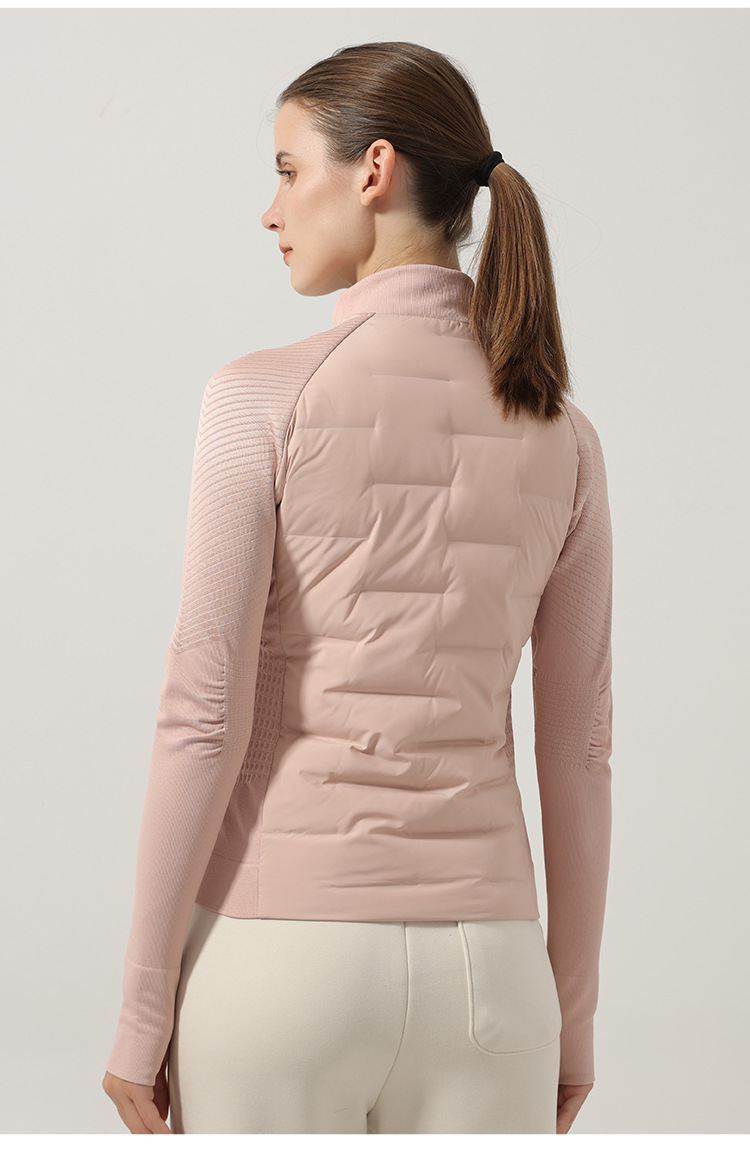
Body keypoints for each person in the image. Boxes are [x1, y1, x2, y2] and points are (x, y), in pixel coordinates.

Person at [102, 40, 613, 1135]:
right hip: (493, 980)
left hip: (279, 965)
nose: (271, 211)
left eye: (289, 170)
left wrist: (142, 1010)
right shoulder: (565, 436)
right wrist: (569, 1021)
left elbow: (202, 716)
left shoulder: (261, 398)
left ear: (374, 169)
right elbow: (578, 751)